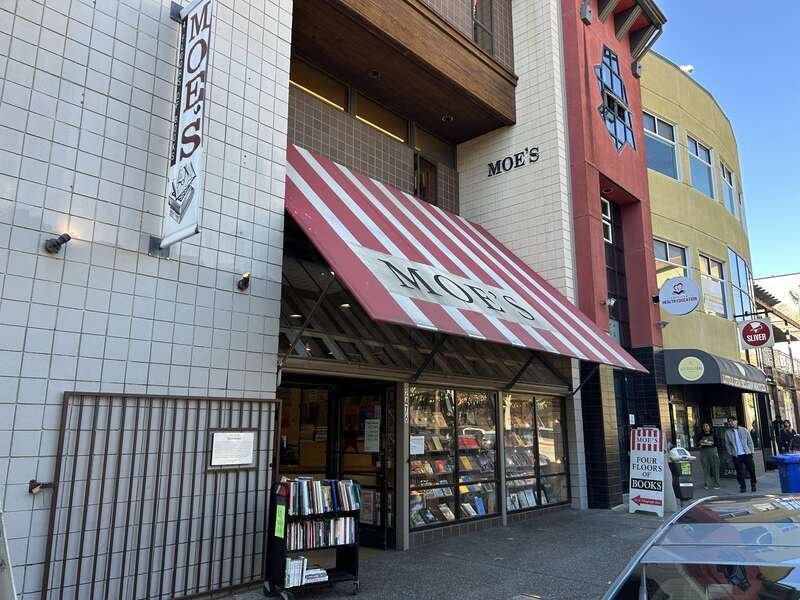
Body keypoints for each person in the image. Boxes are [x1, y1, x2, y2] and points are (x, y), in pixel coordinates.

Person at [724, 416, 757, 493]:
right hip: (736, 455)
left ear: (736, 421)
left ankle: (753, 483)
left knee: (751, 470)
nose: (730, 422)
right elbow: (727, 444)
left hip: (747, 453)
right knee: (739, 472)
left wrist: (751, 451)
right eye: (729, 421)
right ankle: (743, 486)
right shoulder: (727, 432)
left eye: (732, 421)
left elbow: (750, 441)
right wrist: (731, 453)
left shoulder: (744, 430)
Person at [695, 422, 720, 489]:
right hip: (703, 452)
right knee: (706, 468)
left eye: (707, 426)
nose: (705, 427)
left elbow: (717, 443)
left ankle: (717, 483)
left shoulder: (714, 434)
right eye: (704, 426)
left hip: (713, 451)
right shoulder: (700, 435)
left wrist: (711, 443)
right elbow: (697, 444)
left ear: (709, 427)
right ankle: (707, 483)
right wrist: (700, 443)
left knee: (715, 467)